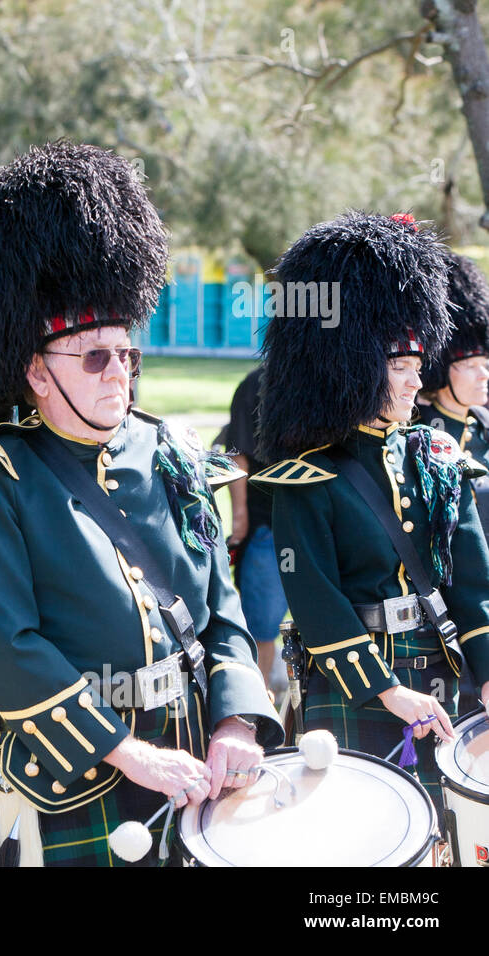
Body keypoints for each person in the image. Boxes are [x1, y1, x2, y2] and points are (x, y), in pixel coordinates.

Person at [0, 141, 281, 867]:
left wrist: (237, 720)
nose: (117, 372)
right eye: (94, 356)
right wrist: (127, 752)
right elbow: (3, 650)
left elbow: (222, 607)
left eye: (126, 354)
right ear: (35, 371)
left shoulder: (170, 453)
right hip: (78, 781)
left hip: (196, 764)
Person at [251, 211, 489, 807]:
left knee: (442, 839)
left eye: (416, 369)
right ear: (355, 370)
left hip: (441, 670)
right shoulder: (308, 478)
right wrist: (385, 690)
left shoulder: (439, 458)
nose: (414, 384)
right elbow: (316, 601)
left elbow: (475, 587)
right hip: (353, 685)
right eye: (399, 370)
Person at [415, 251, 489, 709]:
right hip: (440, 604)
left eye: (488, 361)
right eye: (470, 364)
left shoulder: (483, 427)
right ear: (443, 370)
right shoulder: (417, 431)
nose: (484, 374)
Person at [224, 365, 289, 692]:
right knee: (260, 630)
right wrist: (240, 521)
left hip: (324, 529)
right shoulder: (257, 383)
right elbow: (237, 455)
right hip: (268, 527)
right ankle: (260, 713)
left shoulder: (333, 381)